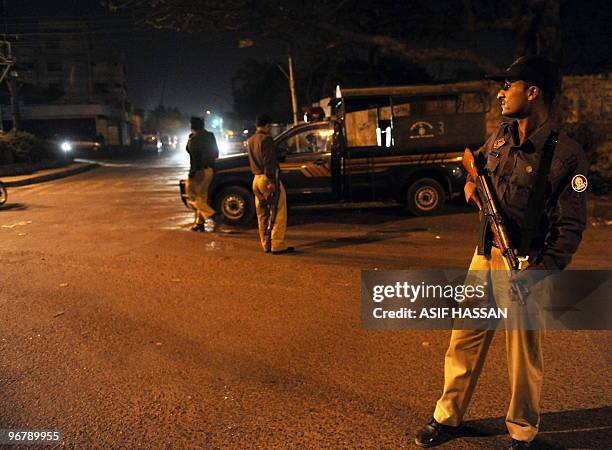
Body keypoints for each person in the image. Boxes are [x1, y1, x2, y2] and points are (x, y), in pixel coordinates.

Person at [414, 55, 588, 449]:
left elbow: (570, 226)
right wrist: (470, 186)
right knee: (463, 342)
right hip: (485, 257)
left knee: (523, 360)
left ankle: (522, 431)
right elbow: (475, 171)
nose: (500, 93)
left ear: (533, 91)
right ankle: (447, 417)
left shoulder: (565, 154)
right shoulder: (500, 136)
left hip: (527, 266)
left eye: (507, 86)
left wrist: (542, 270)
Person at [246, 114, 294, 254]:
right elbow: (269, 162)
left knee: (262, 214)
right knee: (279, 211)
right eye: (270, 126)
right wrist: (272, 181)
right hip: (267, 179)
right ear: (267, 125)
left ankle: (266, 244)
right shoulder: (266, 139)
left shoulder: (250, 140)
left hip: (256, 179)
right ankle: (277, 244)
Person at [185, 116, 219, 232]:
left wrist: (193, 173)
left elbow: (195, 158)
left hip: (198, 171)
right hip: (210, 170)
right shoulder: (210, 136)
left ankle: (211, 214)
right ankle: (199, 224)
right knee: (202, 197)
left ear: (191, 126)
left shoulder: (194, 139)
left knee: (191, 194)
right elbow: (216, 153)